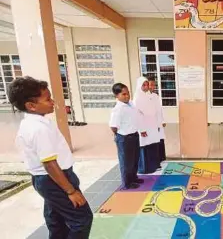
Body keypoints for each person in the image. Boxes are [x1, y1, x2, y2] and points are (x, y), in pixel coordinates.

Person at [9, 77, 93, 238]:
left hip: (48, 179)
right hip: (54, 179)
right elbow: (49, 164)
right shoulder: (38, 129)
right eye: (47, 99)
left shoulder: (34, 123)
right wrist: (70, 191)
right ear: (31, 106)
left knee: (56, 220)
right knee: (81, 219)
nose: (52, 102)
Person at [109, 83, 145, 189]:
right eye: (124, 94)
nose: (127, 96)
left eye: (128, 93)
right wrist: (120, 135)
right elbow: (113, 126)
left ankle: (133, 177)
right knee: (126, 161)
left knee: (134, 159)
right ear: (117, 96)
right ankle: (127, 183)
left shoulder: (130, 104)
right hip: (124, 138)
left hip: (134, 135)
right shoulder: (118, 109)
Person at [133, 77, 161, 174]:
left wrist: (157, 123)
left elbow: (154, 110)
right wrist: (142, 129)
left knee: (152, 145)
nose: (146, 87)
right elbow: (138, 115)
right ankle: (144, 168)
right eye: (143, 85)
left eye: (146, 85)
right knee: (144, 146)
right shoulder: (137, 98)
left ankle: (152, 166)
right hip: (144, 126)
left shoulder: (148, 96)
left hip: (152, 124)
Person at [146, 77, 167, 165]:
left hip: (158, 122)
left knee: (160, 140)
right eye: (151, 85)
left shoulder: (155, 96)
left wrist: (162, 120)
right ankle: (154, 161)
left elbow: (159, 110)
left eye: (154, 85)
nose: (152, 87)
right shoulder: (144, 97)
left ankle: (160, 158)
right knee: (153, 141)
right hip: (151, 124)